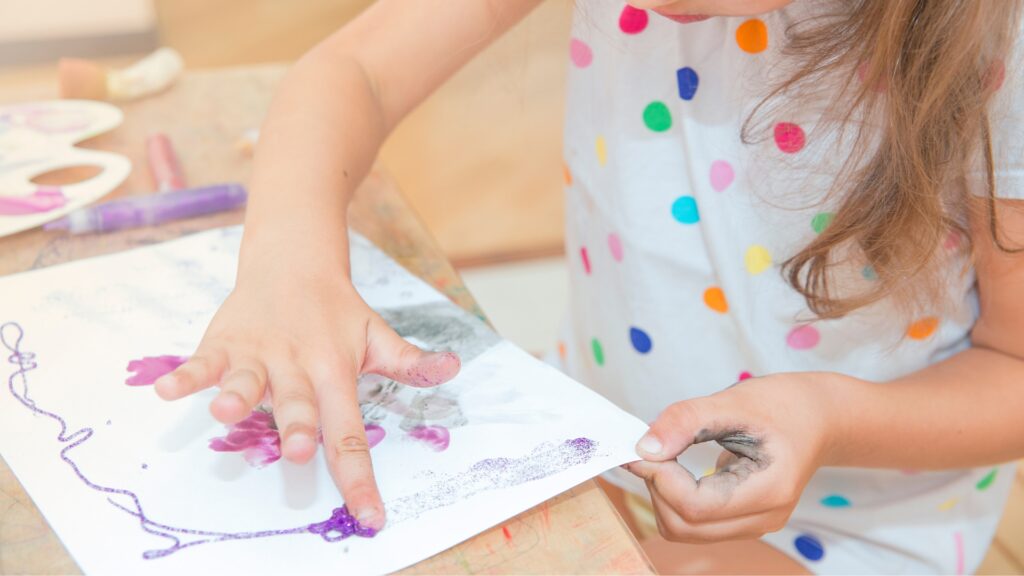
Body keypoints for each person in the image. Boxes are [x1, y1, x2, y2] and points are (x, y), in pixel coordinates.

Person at [153, 0, 1024, 572]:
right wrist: (288, 258)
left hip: (854, 528)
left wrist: (830, 418)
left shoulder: (999, 45)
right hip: (597, 435)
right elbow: (356, 70)